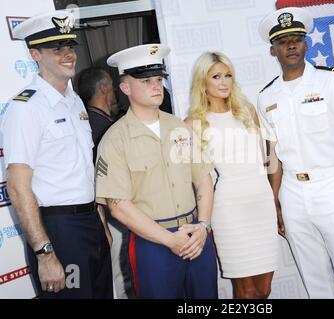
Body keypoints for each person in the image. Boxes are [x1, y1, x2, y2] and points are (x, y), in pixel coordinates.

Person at [257, 7, 334, 299]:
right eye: (283, 41)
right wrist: (275, 202)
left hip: (333, 186)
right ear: (273, 50)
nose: (291, 45)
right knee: (315, 281)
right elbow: (272, 156)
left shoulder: (331, 81)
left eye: (297, 38)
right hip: (292, 193)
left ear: (306, 44)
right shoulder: (266, 96)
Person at [1, 10, 113, 298]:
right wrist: (45, 253)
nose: (68, 54)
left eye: (70, 46)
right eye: (56, 49)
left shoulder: (74, 101)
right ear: (35, 54)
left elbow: (83, 172)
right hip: (60, 231)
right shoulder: (26, 108)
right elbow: (17, 186)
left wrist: (99, 221)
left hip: (90, 224)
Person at [95, 44, 218, 299]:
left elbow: (204, 179)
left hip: (195, 235)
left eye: (159, 79)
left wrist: (203, 226)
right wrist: (169, 240)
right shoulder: (115, 139)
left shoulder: (179, 127)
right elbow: (117, 206)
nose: (156, 86)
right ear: (125, 88)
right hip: (152, 242)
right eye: (146, 80)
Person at [185, 51, 279, 299]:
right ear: (202, 82)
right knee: (245, 291)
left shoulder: (246, 110)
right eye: (216, 76)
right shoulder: (192, 122)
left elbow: (268, 159)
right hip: (229, 208)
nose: (224, 82)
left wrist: (275, 199)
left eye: (228, 75)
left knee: (265, 289)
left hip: (262, 202)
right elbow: (189, 178)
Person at [77, 67, 133, 299]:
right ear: (103, 88)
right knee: (122, 277)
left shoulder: (102, 122)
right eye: (112, 85)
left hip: (120, 212)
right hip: (112, 214)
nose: (115, 92)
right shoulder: (95, 127)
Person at [77, 67, 118, 161]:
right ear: (103, 88)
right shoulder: (98, 126)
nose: (114, 89)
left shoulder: (92, 121)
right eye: (111, 85)